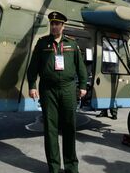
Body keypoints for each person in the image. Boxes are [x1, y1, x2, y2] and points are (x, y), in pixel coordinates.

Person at [27, 11, 88, 173]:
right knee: (50, 128)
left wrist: (83, 85)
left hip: (68, 89)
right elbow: (33, 67)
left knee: (69, 126)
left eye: (57, 24)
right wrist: (32, 85)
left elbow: (80, 67)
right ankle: (54, 167)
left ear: (63, 26)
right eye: (52, 23)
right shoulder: (42, 44)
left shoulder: (72, 44)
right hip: (48, 90)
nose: (54, 26)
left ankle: (71, 167)